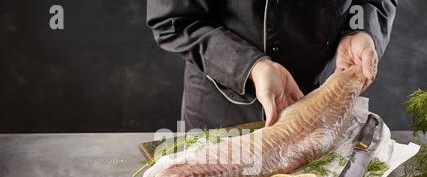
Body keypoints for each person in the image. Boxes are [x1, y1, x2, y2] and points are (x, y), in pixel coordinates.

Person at [147, 1, 397, 130]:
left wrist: (360, 29)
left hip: (320, 104)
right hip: (224, 117)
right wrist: (252, 66)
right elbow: (173, 19)